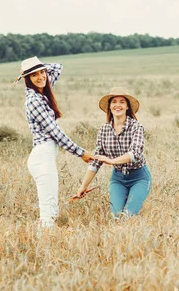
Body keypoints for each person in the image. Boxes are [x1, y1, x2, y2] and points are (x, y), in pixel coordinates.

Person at [13, 56, 93, 228]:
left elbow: (58, 67)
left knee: (51, 205)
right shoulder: (34, 101)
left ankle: (47, 241)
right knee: (48, 209)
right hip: (42, 157)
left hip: (46, 156)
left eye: (42, 72)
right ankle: (44, 246)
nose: (41, 77)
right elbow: (56, 134)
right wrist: (82, 153)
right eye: (34, 75)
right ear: (28, 79)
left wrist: (33, 68)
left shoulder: (42, 91)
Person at [74, 86, 152, 217]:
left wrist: (112, 161)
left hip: (139, 177)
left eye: (122, 102)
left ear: (127, 107)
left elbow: (135, 153)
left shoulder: (136, 127)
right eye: (114, 102)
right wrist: (83, 186)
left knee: (128, 215)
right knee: (116, 216)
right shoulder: (103, 130)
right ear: (109, 107)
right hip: (118, 179)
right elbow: (95, 162)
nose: (118, 105)